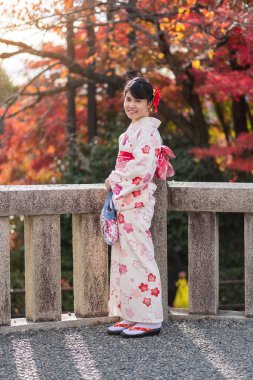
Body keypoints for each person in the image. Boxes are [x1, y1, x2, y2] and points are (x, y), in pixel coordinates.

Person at [104, 77, 175, 338]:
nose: (131, 105)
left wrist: (115, 179)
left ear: (149, 104)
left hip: (137, 201)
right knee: (124, 259)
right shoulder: (134, 129)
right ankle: (130, 314)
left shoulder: (147, 131)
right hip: (126, 201)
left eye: (137, 100)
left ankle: (150, 318)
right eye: (128, 99)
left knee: (140, 257)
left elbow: (143, 170)